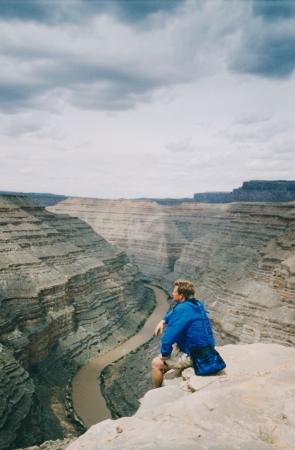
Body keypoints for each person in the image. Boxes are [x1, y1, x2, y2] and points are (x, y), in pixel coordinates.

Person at [151, 279, 215, 388]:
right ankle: (175, 363)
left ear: (181, 295)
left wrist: (165, 355)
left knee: (156, 363)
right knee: (175, 344)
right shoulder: (197, 303)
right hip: (206, 348)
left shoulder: (183, 308)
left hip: (197, 355)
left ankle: (155, 391)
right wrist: (164, 320)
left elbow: (167, 338)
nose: (172, 293)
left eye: (174, 292)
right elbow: (174, 312)